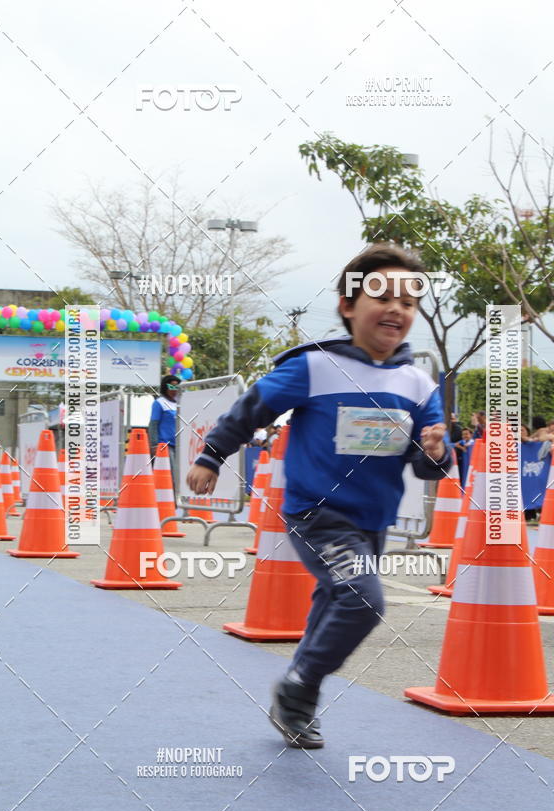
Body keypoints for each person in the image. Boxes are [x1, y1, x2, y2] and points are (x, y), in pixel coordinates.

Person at [187, 242, 452, 749]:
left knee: (338, 597)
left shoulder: (419, 384)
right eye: (382, 295)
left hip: (373, 521)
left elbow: (426, 465)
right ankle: (300, 685)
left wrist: (437, 450)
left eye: (409, 301)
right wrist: (211, 455)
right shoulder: (316, 367)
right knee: (362, 599)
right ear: (349, 305)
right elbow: (252, 408)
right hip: (317, 513)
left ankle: (296, 697)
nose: (397, 308)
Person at [148, 374, 181, 490]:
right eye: (171, 387)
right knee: (171, 475)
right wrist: (153, 445)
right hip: (165, 446)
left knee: (180, 475)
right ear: (165, 387)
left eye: (177, 387)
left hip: (180, 446)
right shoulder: (159, 403)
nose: (174, 390)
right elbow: (153, 424)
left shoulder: (180, 403)